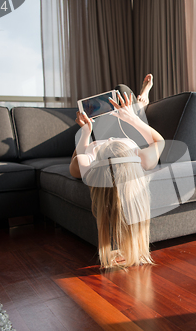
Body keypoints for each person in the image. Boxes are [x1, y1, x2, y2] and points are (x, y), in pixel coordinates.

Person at [69, 74, 165, 268]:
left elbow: (74, 161)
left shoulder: (88, 161)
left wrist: (86, 132)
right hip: (131, 129)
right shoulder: (141, 158)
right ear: (132, 158)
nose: (112, 141)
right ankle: (142, 99)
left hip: (101, 127)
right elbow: (160, 141)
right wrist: (133, 120)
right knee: (125, 95)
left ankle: (139, 103)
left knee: (120, 92)